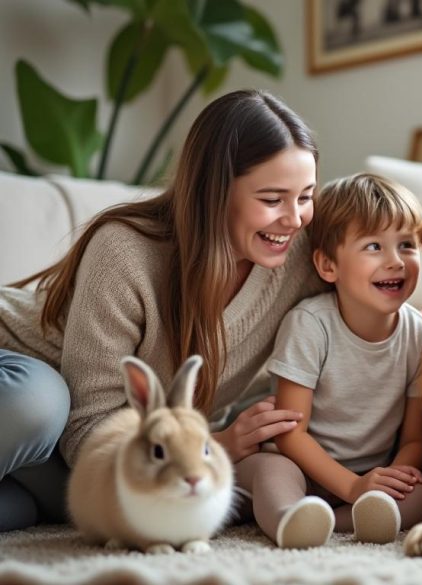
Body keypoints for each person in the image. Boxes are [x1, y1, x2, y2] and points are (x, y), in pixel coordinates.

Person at [0, 89, 326, 531]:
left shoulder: (300, 252)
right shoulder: (126, 253)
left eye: (305, 196)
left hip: (65, 461)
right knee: (38, 403)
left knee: (24, 513)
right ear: (214, 193)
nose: (295, 218)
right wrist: (215, 447)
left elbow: (376, 247)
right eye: (272, 199)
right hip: (21, 382)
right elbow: (88, 425)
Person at [234, 173, 422, 549]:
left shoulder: (420, 336)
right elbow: (290, 432)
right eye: (374, 246)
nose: (396, 262)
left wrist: (391, 477)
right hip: (298, 466)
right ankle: (290, 518)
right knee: (270, 470)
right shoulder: (310, 323)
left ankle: (342, 521)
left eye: (406, 245)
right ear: (329, 267)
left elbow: (415, 438)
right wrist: (352, 486)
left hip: (366, 477)